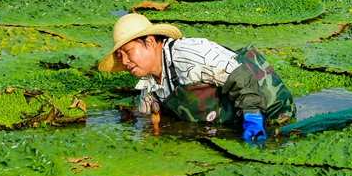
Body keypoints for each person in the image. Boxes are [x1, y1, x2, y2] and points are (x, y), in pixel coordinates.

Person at [99, 13, 295, 141]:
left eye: (127, 51)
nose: (124, 61)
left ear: (150, 42)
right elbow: (147, 118)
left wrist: (253, 117)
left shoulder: (190, 53)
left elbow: (240, 76)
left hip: (270, 111)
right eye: (119, 56)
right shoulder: (149, 85)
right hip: (232, 122)